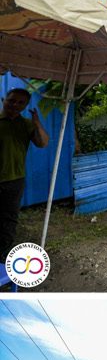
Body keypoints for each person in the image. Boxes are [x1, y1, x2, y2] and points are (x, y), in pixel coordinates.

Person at [0, 87, 49, 257]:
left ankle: (2, 256)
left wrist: (37, 123)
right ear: (3, 100)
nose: (15, 105)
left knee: (9, 220)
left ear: (26, 105)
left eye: (21, 102)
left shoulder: (27, 125)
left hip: (14, 180)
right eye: (12, 100)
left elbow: (43, 143)